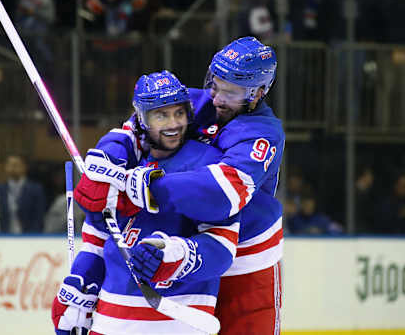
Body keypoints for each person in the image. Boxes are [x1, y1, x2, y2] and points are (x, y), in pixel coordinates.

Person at [74, 37, 285, 334]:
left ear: (259, 93)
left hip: (246, 257)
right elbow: (139, 124)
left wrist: (147, 188)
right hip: (194, 242)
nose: (218, 98)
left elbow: (223, 192)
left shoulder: (263, 132)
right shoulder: (199, 101)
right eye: (215, 83)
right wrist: (108, 159)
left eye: (232, 92)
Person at [52, 71, 240, 335]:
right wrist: (80, 288)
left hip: (176, 325)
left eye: (179, 113)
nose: (173, 123)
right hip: (108, 323)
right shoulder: (122, 163)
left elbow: (222, 248)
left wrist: (174, 254)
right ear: (141, 119)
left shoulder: (207, 162)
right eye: (160, 115)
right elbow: (97, 240)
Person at [0, 154, 46, 233]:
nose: (13, 168)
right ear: (5, 167)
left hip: (28, 237)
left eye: (16, 164)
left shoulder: (35, 190)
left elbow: (39, 217)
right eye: (10, 164)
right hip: (4, 236)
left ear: (24, 167)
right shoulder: (0, 189)